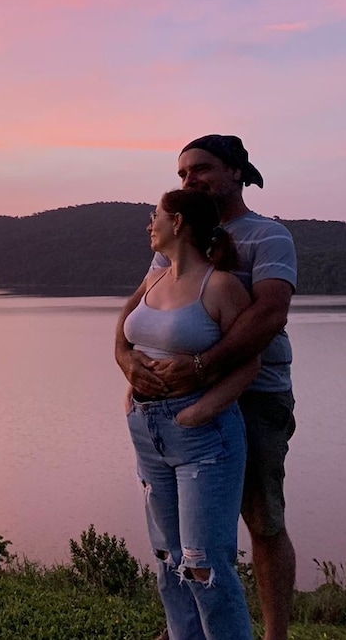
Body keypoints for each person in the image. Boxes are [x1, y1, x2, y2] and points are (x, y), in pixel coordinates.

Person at [116, 135, 297, 640]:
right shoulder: (182, 241)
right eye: (183, 174)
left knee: (262, 522)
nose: (190, 179)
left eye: (202, 169)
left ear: (238, 172)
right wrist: (126, 361)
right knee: (178, 537)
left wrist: (202, 367)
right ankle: (186, 627)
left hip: (257, 394)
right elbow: (141, 305)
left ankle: (274, 634)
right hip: (178, 407)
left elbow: (268, 314)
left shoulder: (268, 236)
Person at [123, 189, 257, 639]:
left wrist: (198, 413)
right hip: (147, 430)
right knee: (167, 558)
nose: (149, 224)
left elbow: (249, 361)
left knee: (204, 565)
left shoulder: (220, 286)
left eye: (154, 216)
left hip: (203, 438)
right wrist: (130, 388)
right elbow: (132, 341)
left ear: (178, 223)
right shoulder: (155, 280)